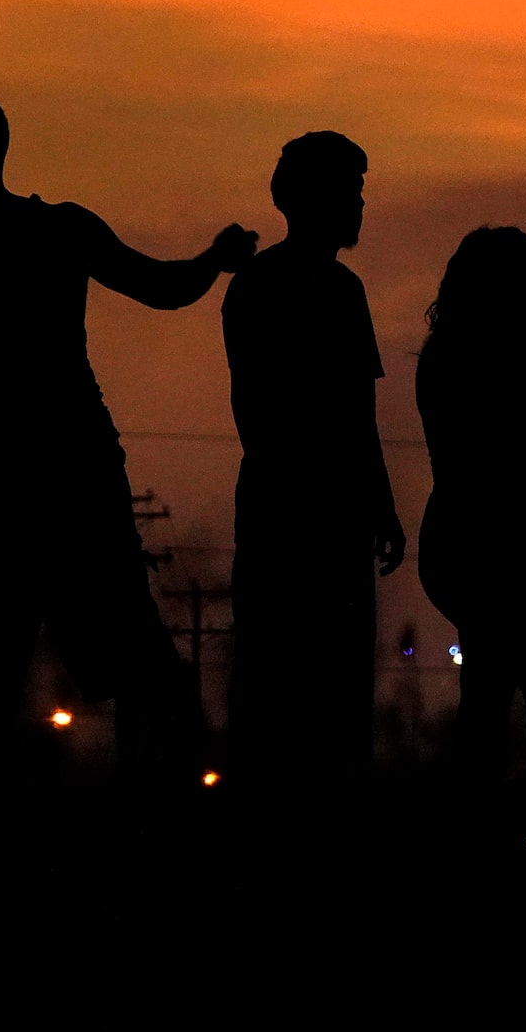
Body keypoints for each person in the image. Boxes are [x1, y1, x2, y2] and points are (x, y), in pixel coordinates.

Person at [0, 85, 255, 776]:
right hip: (64, 467)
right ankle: (208, 794)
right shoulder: (53, 233)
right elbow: (163, 287)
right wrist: (211, 261)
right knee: (120, 653)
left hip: (20, 479)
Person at [221, 131, 403, 789]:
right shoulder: (282, 289)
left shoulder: (312, 288)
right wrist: (369, 501)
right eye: (348, 193)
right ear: (309, 199)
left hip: (313, 513)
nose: (358, 207)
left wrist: (376, 504)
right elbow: (302, 415)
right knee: (299, 687)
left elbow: (357, 414)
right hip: (299, 516)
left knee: (306, 689)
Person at [415, 226, 526, 781]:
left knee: (498, 686)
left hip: (481, 549)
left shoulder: (451, 354)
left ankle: (490, 826)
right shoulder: (483, 359)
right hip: (489, 551)